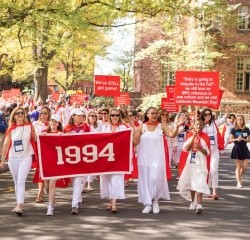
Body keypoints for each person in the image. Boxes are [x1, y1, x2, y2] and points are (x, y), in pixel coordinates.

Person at [133, 107, 185, 214]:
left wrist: (177, 126)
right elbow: (135, 142)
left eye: (156, 113)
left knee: (155, 179)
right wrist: (130, 132)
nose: (154, 115)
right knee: (146, 180)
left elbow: (171, 134)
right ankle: (148, 203)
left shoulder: (161, 126)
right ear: (147, 114)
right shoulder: (142, 127)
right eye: (152, 113)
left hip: (157, 158)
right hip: (144, 158)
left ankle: (155, 200)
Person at [0, 107, 36, 216]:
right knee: (16, 181)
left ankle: (20, 205)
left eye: (22, 113)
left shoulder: (30, 126)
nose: (20, 115)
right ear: (14, 116)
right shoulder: (11, 128)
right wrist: (3, 160)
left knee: (21, 180)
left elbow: (35, 139)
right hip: (13, 158)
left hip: (26, 156)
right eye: (18, 113)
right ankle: (18, 203)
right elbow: (6, 145)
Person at [177, 119, 210, 214]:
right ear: (194, 126)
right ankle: (193, 202)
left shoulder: (205, 137)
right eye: (197, 125)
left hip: (201, 163)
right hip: (191, 162)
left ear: (203, 127)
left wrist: (200, 148)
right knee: (193, 183)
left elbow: (207, 152)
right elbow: (186, 148)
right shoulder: (190, 135)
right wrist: (193, 138)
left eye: (201, 125)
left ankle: (199, 205)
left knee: (200, 182)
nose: (199, 126)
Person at [101, 108, 128, 213]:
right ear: (109, 116)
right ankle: (110, 200)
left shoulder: (124, 127)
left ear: (119, 116)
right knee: (107, 180)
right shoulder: (105, 127)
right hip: (107, 157)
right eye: (112, 115)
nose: (115, 117)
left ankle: (114, 203)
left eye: (117, 115)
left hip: (119, 157)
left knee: (117, 179)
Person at [64, 108, 90, 214]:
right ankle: (78, 199)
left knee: (78, 180)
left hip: (82, 157)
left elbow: (90, 139)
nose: (81, 117)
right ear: (73, 116)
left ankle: (74, 205)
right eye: (79, 115)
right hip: (70, 158)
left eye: (82, 116)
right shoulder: (66, 128)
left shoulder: (86, 127)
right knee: (74, 181)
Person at [40, 114, 67, 216]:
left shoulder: (62, 133)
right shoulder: (44, 132)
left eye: (55, 121)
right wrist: (42, 136)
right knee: (46, 186)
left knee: (52, 184)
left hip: (57, 163)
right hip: (46, 162)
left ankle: (50, 206)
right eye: (52, 121)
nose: (53, 123)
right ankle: (52, 200)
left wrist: (63, 137)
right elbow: (36, 140)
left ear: (58, 123)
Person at [200, 107, 228, 199]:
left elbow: (224, 119)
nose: (208, 116)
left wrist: (227, 113)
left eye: (209, 114)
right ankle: (206, 191)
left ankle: (215, 192)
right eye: (206, 114)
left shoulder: (215, 123)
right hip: (205, 151)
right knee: (205, 171)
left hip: (214, 150)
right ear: (203, 115)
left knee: (213, 170)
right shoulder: (201, 125)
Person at [32, 106, 51, 203]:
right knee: (40, 171)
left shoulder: (51, 125)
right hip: (38, 150)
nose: (43, 115)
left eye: (45, 113)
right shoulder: (35, 124)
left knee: (46, 171)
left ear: (48, 115)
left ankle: (46, 188)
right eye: (41, 113)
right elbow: (32, 137)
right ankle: (40, 191)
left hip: (48, 152)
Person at [229, 115, 250, 188]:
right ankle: (238, 182)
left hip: (244, 148)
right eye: (238, 120)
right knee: (238, 166)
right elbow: (230, 140)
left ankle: (239, 177)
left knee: (245, 166)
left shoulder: (247, 129)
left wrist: (243, 139)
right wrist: (236, 139)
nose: (239, 121)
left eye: (241, 119)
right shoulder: (233, 129)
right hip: (237, 148)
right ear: (236, 121)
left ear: (243, 120)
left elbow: (249, 139)